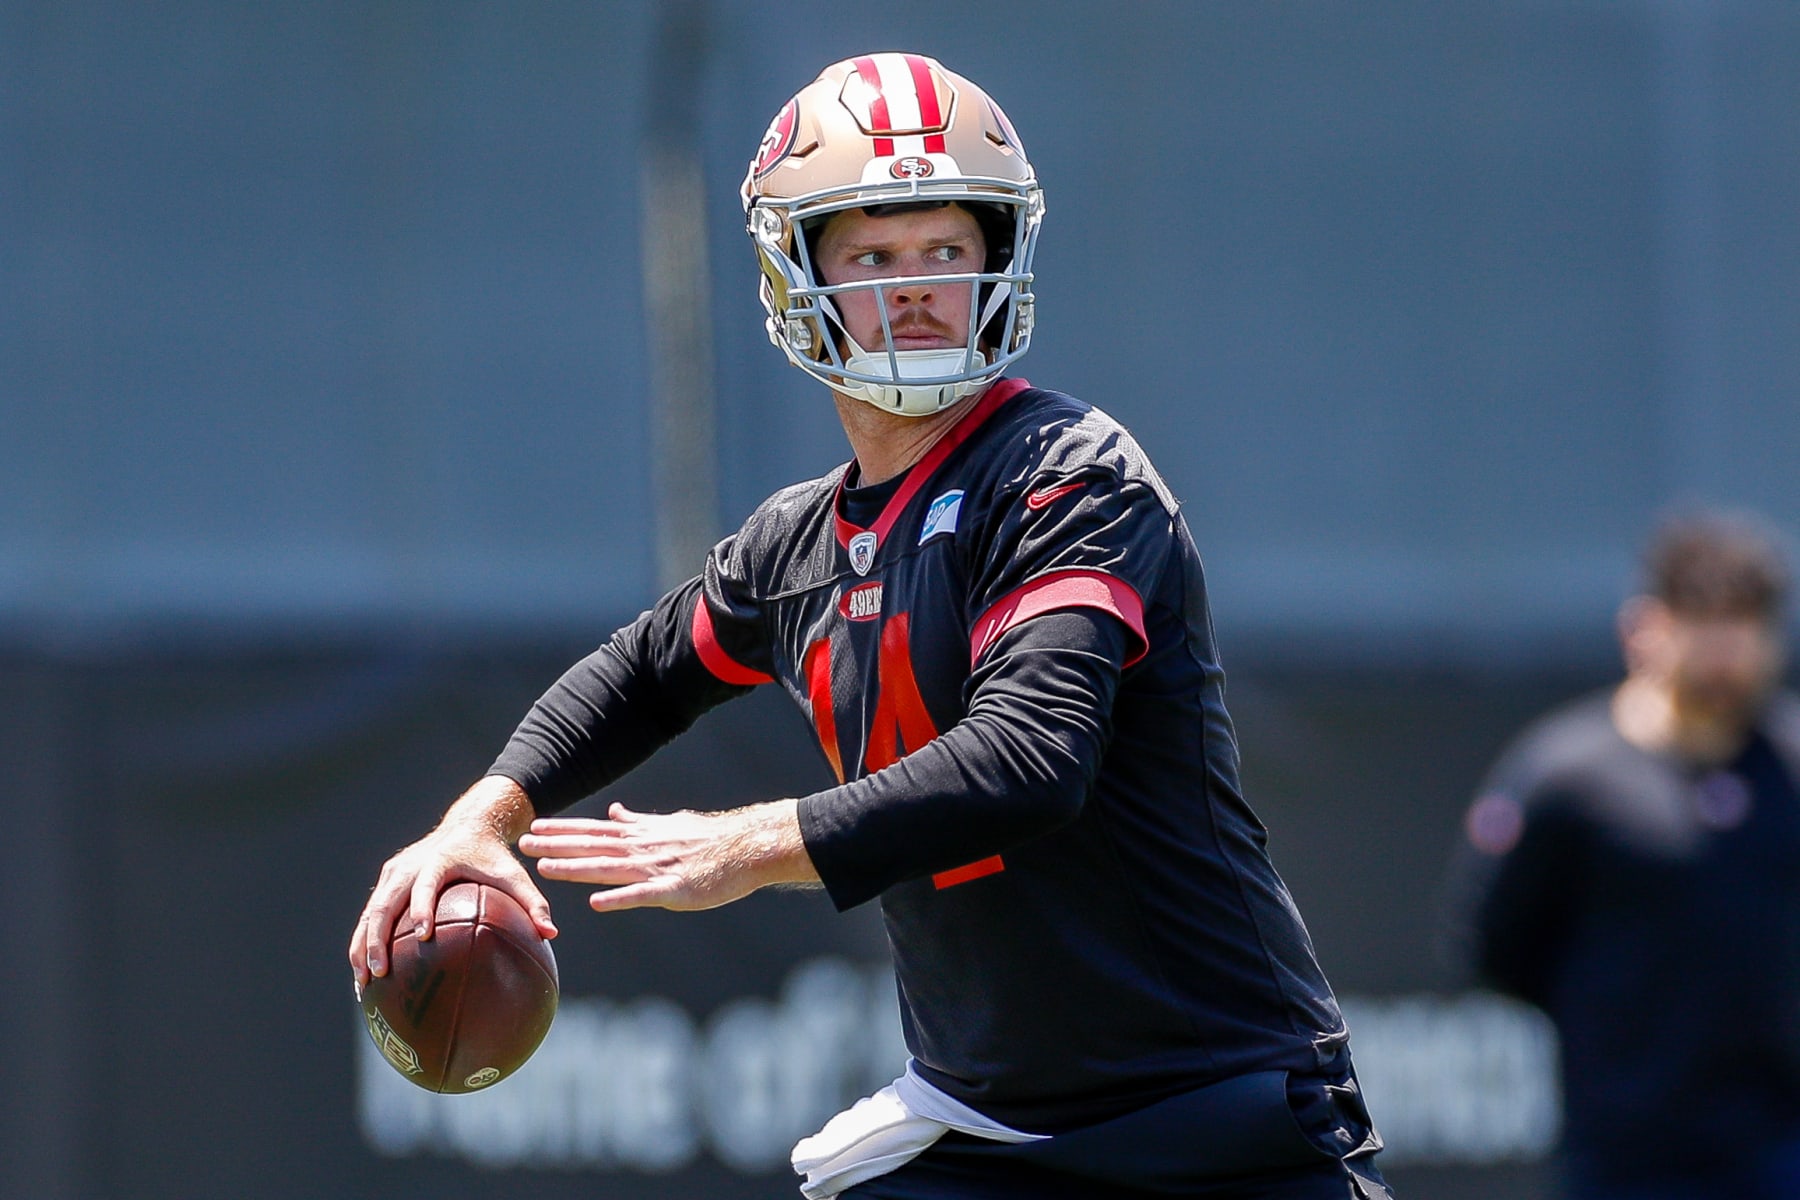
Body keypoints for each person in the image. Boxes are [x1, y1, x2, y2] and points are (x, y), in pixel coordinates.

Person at [350, 53, 1390, 1199]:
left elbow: (1031, 761)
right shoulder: (799, 544)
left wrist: (741, 848)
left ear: (999, 257)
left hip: (1217, 1113)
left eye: (946, 250)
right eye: (873, 258)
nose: (917, 289)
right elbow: (645, 671)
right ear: (796, 275)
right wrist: (481, 819)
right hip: (992, 1130)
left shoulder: (1066, 474)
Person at [1449, 510, 1800, 1200]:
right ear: (1645, 627)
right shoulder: (1569, 776)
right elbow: (1498, 943)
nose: (1727, 651)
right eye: (1705, 621)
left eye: (1746, 625)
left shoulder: (1792, 767)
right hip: (1630, 1156)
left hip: (1781, 1144)